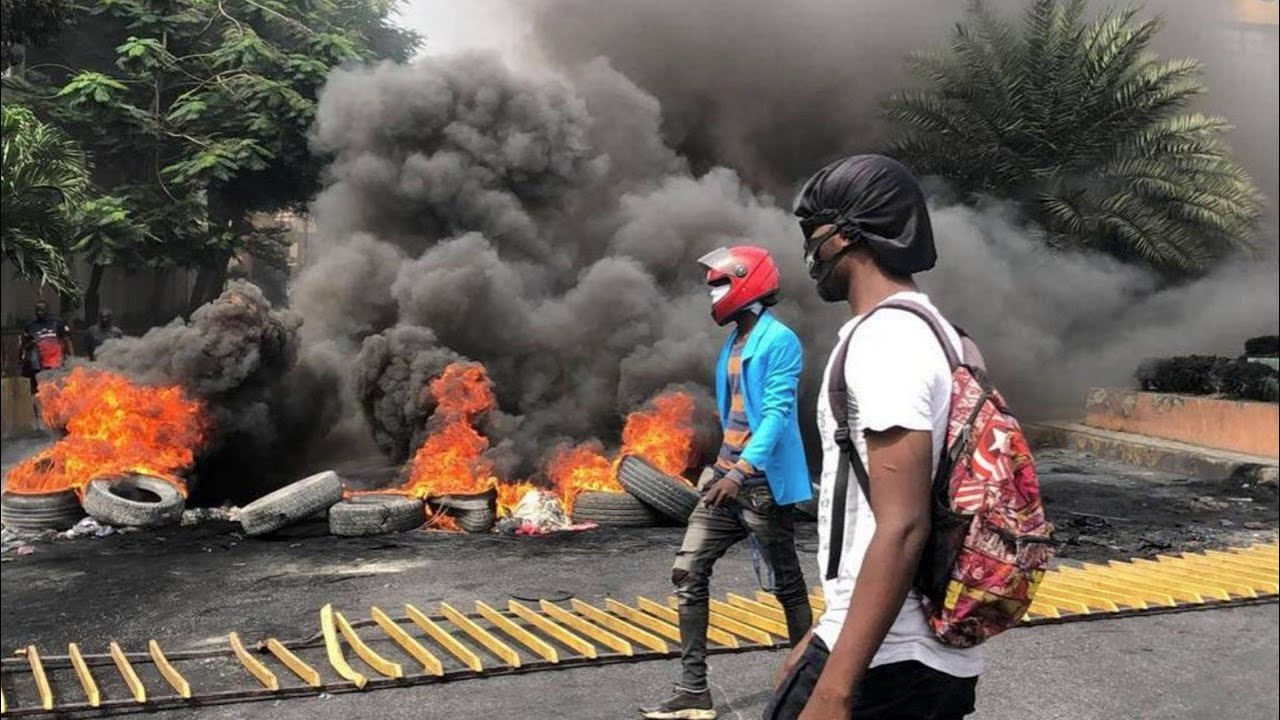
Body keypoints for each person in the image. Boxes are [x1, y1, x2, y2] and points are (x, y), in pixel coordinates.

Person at [766, 155, 981, 720]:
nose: (809, 255)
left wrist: (834, 688)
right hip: (901, 648)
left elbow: (904, 523)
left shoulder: (887, 340)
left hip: (890, 662)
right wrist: (822, 628)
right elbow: (867, 509)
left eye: (813, 237)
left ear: (847, 236)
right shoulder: (938, 333)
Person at [641, 246, 812, 720]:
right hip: (726, 480)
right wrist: (721, 467)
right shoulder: (735, 341)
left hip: (759, 487)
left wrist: (739, 473)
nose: (713, 294)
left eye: (719, 284)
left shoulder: (780, 342)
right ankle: (694, 690)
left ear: (747, 281)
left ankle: (812, 685)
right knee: (687, 572)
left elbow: (776, 416)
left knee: (788, 587)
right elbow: (737, 416)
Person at [18, 299, 73, 395]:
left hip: (56, 363)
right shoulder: (30, 326)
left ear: (47, 310)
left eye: (42, 310)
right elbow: (23, 345)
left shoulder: (57, 323)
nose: (39, 313)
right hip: (38, 365)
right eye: (37, 310)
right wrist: (20, 358)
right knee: (40, 391)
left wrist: (72, 358)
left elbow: (67, 341)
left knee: (58, 390)